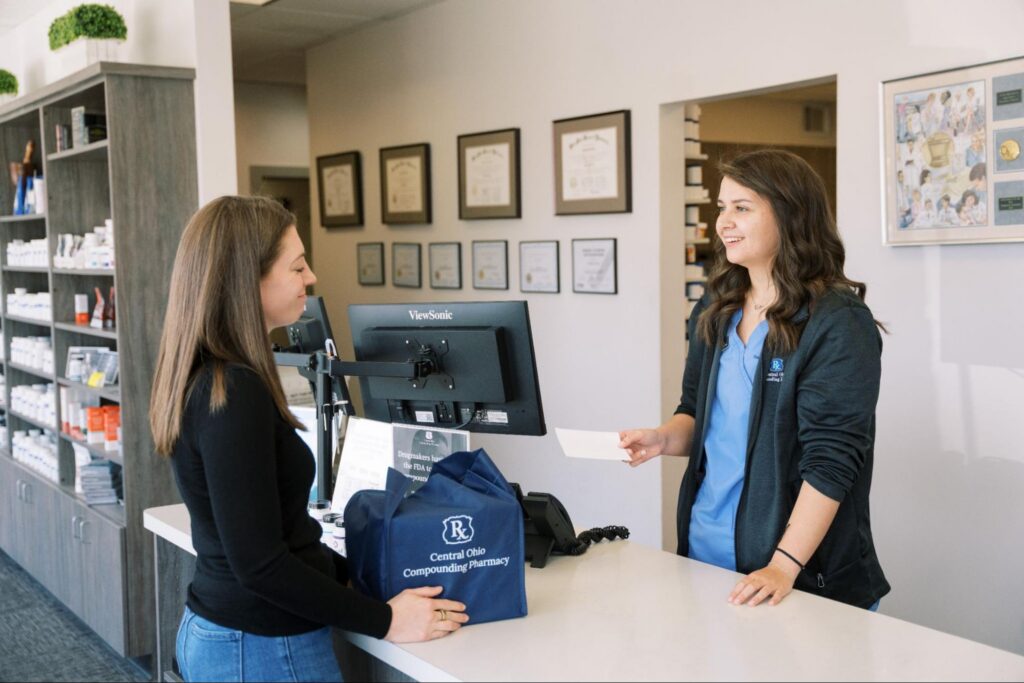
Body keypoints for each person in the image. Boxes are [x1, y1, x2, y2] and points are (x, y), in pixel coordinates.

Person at [149, 196, 468, 682]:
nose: (312, 277)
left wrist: (363, 578)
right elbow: (261, 566)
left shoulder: (212, 378)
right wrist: (386, 621)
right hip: (261, 648)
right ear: (247, 280)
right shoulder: (234, 391)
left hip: (234, 635)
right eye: (297, 266)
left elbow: (283, 536)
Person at [619, 150, 890, 610]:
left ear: (790, 214)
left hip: (796, 576)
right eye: (721, 207)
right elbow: (696, 413)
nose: (724, 222)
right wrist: (663, 439)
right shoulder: (716, 307)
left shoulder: (838, 322)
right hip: (706, 556)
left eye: (742, 208)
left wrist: (783, 565)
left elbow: (831, 462)